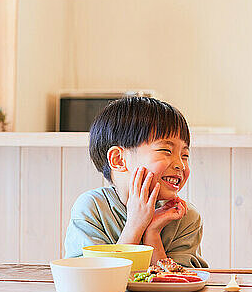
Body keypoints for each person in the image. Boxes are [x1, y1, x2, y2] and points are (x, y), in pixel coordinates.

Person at [64, 96, 208, 268]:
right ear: (118, 159)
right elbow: (90, 278)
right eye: (166, 150)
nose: (180, 164)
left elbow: (181, 284)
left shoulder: (186, 217)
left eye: (185, 155)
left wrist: (152, 233)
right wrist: (135, 225)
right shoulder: (92, 208)